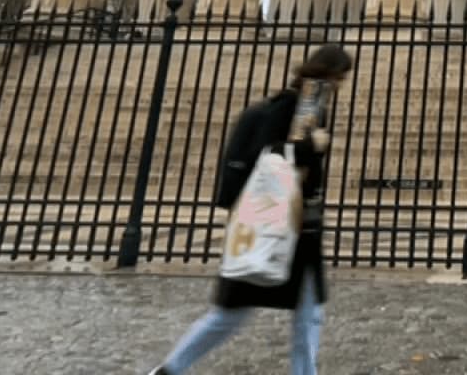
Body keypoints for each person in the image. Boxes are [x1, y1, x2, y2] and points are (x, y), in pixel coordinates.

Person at [149, 44, 355, 375]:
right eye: (341, 76)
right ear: (330, 73)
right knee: (230, 315)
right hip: (275, 224)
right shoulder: (290, 106)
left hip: (297, 225)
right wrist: (309, 146)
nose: (342, 83)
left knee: (308, 313)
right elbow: (267, 153)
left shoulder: (311, 106)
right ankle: (170, 369)